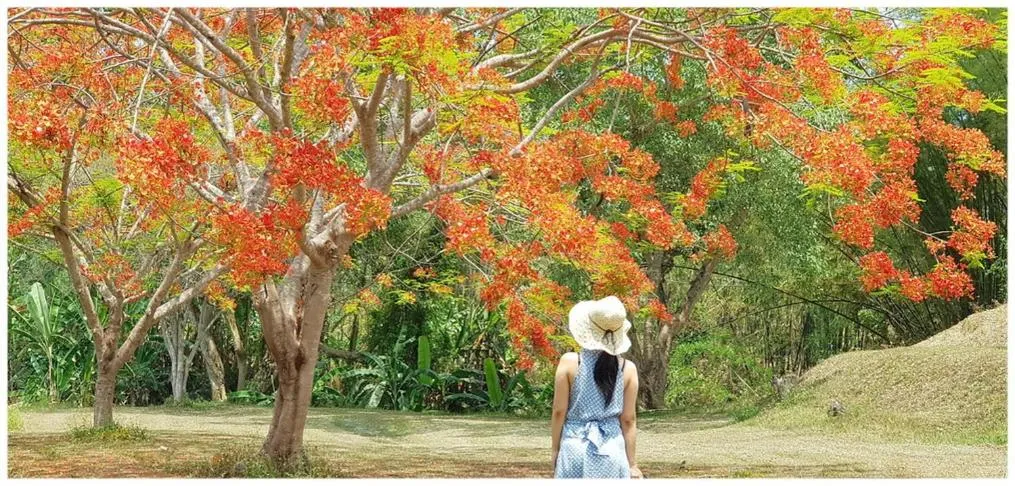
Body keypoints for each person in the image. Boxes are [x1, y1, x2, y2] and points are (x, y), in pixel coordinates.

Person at [551, 296, 643, 479]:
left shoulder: (570, 362)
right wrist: (632, 464)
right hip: (612, 449)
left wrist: (555, 449)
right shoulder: (628, 369)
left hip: (575, 445)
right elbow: (628, 420)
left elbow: (559, 411)